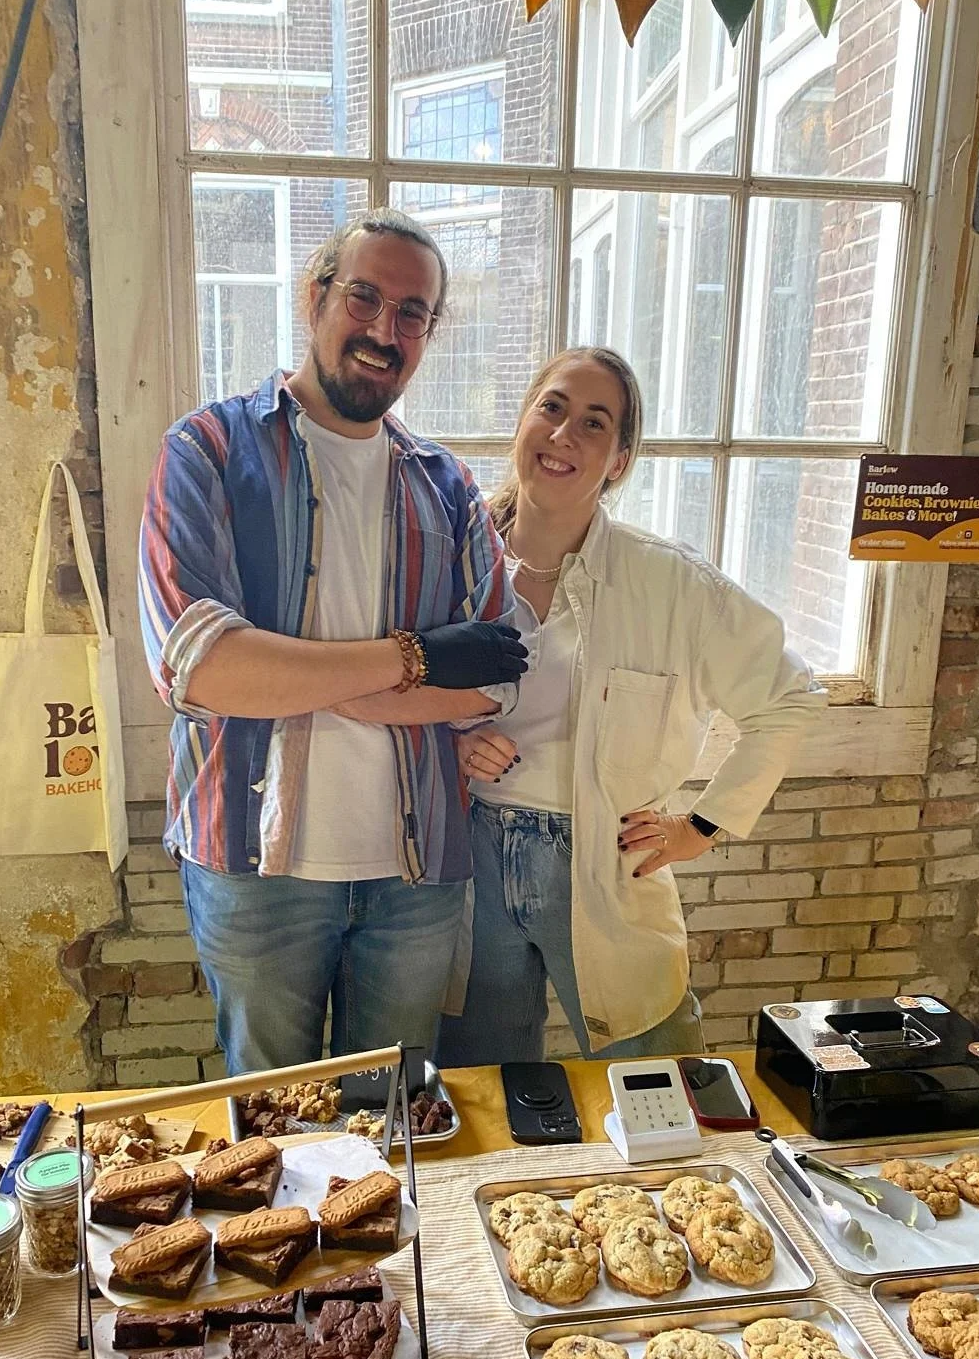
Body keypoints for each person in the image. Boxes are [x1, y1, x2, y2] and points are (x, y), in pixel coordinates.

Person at [138, 208, 526, 1076]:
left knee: (389, 1133)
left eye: (413, 313)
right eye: (364, 297)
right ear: (316, 298)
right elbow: (201, 662)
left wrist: (305, 675)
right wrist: (413, 660)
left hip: (417, 871)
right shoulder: (206, 449)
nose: (385, 330)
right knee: (271, 1131)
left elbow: (501, 672)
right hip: (252, 866)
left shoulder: (448, 485)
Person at [435, 347, 826, 1066]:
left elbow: (789, 698)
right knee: (482, 1085)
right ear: (522, 420)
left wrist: (702, 825)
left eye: (594, 422)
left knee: (658, 1081)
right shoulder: (451, 567)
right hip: (473, 858)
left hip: (608, 861)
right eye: (551, 407)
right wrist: (451, 747)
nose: (564, 435)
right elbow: (397, 693)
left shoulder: (671, 583)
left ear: (619, 459)